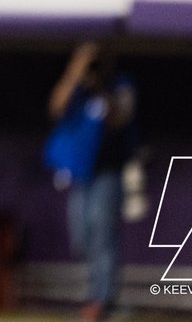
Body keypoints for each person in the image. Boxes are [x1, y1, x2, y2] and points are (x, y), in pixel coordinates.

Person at [46, 41, 137, 322]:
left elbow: (119, 119)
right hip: (81, 173)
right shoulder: (79, 87)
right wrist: (76, 71)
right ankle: (96, 295)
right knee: (82, 237)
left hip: (108, 171)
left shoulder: (119, 85)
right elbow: (56, 107)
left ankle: (102, 300)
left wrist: (102, 88)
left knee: (103, 235)